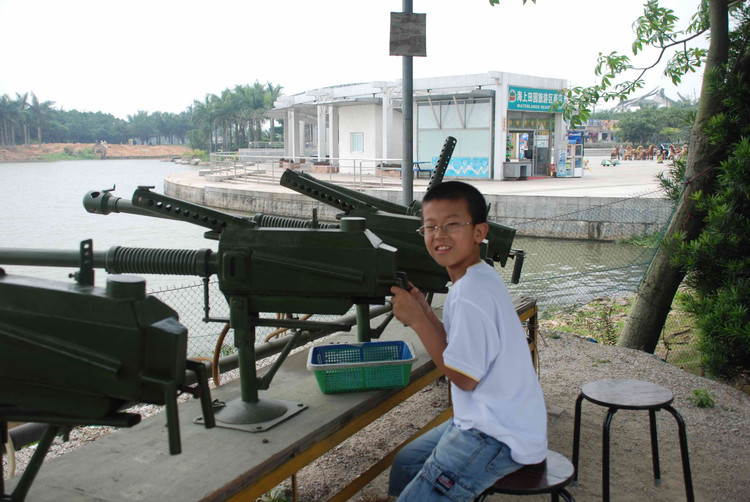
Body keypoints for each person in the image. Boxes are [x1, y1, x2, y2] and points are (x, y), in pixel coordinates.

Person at [388, 181, 547, 501]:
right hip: (500, 421)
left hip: (497, 436)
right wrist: (425, 309)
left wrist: (417, 321)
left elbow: (462, 377)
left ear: (479, 232)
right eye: (430, 226)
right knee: (406, 463)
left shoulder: (471, 294)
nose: (439, 235)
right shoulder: (478, 275)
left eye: (452, 224)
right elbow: (460, 348)